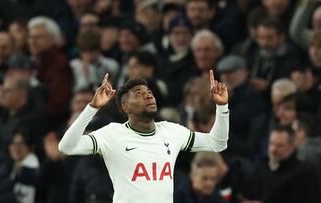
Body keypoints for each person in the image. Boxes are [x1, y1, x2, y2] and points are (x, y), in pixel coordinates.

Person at [59, 70, 229, 203]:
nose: (148, 95)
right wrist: (92, 108)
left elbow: (217, 144)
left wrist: (222, 107)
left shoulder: (172, 131)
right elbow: (66, 147)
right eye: (139, 94)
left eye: (149, 92)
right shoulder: (112, 134)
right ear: (126, 107)